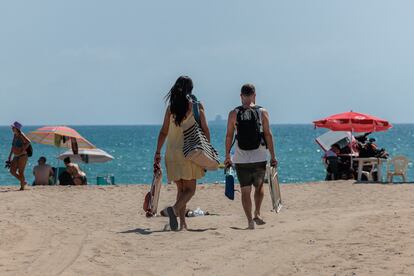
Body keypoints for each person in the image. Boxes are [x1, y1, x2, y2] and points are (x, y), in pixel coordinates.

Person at [154, 76, 210, 231]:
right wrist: (207, 150)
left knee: (181, 189)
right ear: (190, 89)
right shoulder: (196, 106)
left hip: (171, 154)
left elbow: (164, 132)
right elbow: (205, 129)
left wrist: (157, 152)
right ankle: (174, 209)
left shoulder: (171, 108)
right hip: (188, 152)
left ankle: (182, 223)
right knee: (190, 190)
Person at [224, 84, 277, 230]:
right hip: (259, 156)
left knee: (245, 190)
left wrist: (227, 155)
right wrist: (273, 155)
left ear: (241, 96)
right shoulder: (262, 112)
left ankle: (249, 222)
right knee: (259, 187)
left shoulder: (233, 113)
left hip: (240, 159)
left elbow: (229, 135)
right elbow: (268, 134)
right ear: (254, 95)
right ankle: (257, 213)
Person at [7, 122, 31, 190]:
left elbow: (28, 142)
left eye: (13, 127)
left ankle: (22, 186)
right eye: (12, 127)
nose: (12, 128)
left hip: (23, 156)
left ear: (17, 128)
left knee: (21, 172)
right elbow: (13, 146)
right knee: (12, 171)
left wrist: (23, 149)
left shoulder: (21, 135)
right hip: (16, 155)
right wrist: (9, 156)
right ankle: (23, 181)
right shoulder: (15, 135)